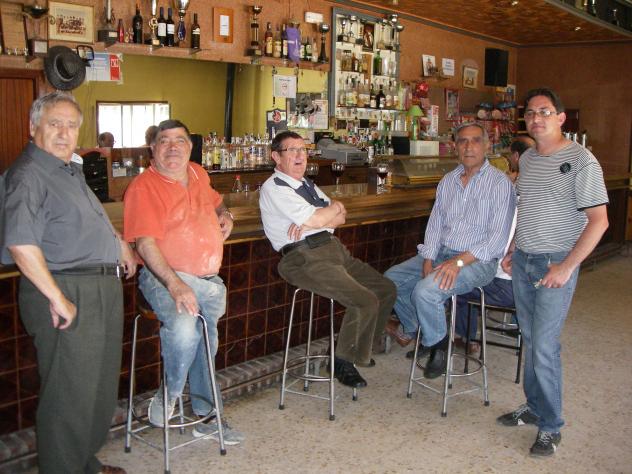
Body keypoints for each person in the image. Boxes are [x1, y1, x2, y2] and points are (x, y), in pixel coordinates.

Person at [0, 91, 136, 474]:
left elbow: (84, 217)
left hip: (98, 287)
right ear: (33, 127)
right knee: (69, 394)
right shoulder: (28, 174)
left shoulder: (66, 169)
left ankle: (83, 462)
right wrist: (57, 298)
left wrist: (117, 242)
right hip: (66, 288)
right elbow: (20, 243)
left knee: (97, 387)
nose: (64, 133)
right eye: (55, 124)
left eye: (71, 125)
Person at [497, 88, 609, 457]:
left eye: (544, 111)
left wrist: (566, 267)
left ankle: (551, 425)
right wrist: (514, 247)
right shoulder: (528, 159)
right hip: (525, 260)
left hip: (555, 262)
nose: (536, 118)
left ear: (561, 118)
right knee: (530, 339)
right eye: (530, 113)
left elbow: (599, 221)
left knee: (544, 346)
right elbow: (527, 208)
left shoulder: (581, 161)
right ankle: (534, 406)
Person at [123, 119, 243, 445]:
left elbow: (217, 201)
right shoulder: (143, 187)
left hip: (205, 278)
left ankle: (207, 416)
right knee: (188, 329)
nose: (173, 147)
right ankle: (172, 394)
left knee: (206, 337)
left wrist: (226, 215)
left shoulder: (197, 173)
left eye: (180, 140)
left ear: (190, 146)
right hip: (163, 278)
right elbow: (145, 244)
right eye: (164, 141)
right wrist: (176, 285)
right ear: (153, 148)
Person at [259, 131, 396, 389]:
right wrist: (322, 216)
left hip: (333, 249)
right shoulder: (274, 187)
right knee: (364, 300)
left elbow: (341, 216)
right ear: (276, 157)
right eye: (292, 150)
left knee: (386, 289)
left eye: (303, 149)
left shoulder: (307, 184)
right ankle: (343, 360)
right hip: (303, 256)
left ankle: (361, 348)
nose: (300, 155)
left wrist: (321, 217)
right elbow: (324, 216)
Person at [384, 122, 515, 379]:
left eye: (475, 140)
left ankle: (439, 347)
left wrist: (457, 263)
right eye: (463, 141)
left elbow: (496, 240)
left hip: (477, 262)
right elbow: (436, 224)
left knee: (426, 291)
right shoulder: (448, 181)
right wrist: (429, 257)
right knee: (391, 281)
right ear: (455, 146)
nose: (469, 146)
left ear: (487, 145)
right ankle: (422, 332)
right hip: (442, 252)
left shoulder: (500, 184)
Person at [453, 136, 535, 349]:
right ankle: (521, 327)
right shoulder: (530, 196)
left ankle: (463, 338)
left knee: (449, 284)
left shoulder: (506, 196)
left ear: (516, 157)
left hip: (505, 286)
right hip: (529, 285)